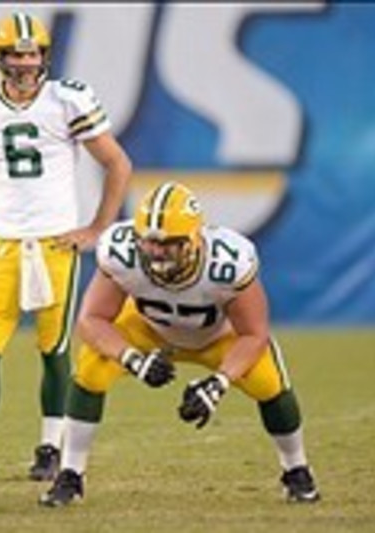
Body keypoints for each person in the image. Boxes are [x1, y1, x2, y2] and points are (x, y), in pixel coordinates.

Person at [0, 11, 132, 482]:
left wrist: (96, 229)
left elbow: (117, 164)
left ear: (45, 55)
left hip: (54, 245)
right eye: (17, 54)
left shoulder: (68, 99)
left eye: (33, 53)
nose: (26, 62)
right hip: (2, 244)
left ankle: (51, 449)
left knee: (54, 350)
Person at [40, 181, 320, 506]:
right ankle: (70, 474)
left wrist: (218, 384)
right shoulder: (122, 252)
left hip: (218, 336)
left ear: (194, 239)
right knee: (91, 369)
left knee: (269, 383)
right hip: (148, 329)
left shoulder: (228, 262)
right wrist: (132, 358)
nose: (157, 252)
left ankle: (296, 469)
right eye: (149, 242)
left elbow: (254, 334)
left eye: (169, 243)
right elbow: (90, 320)